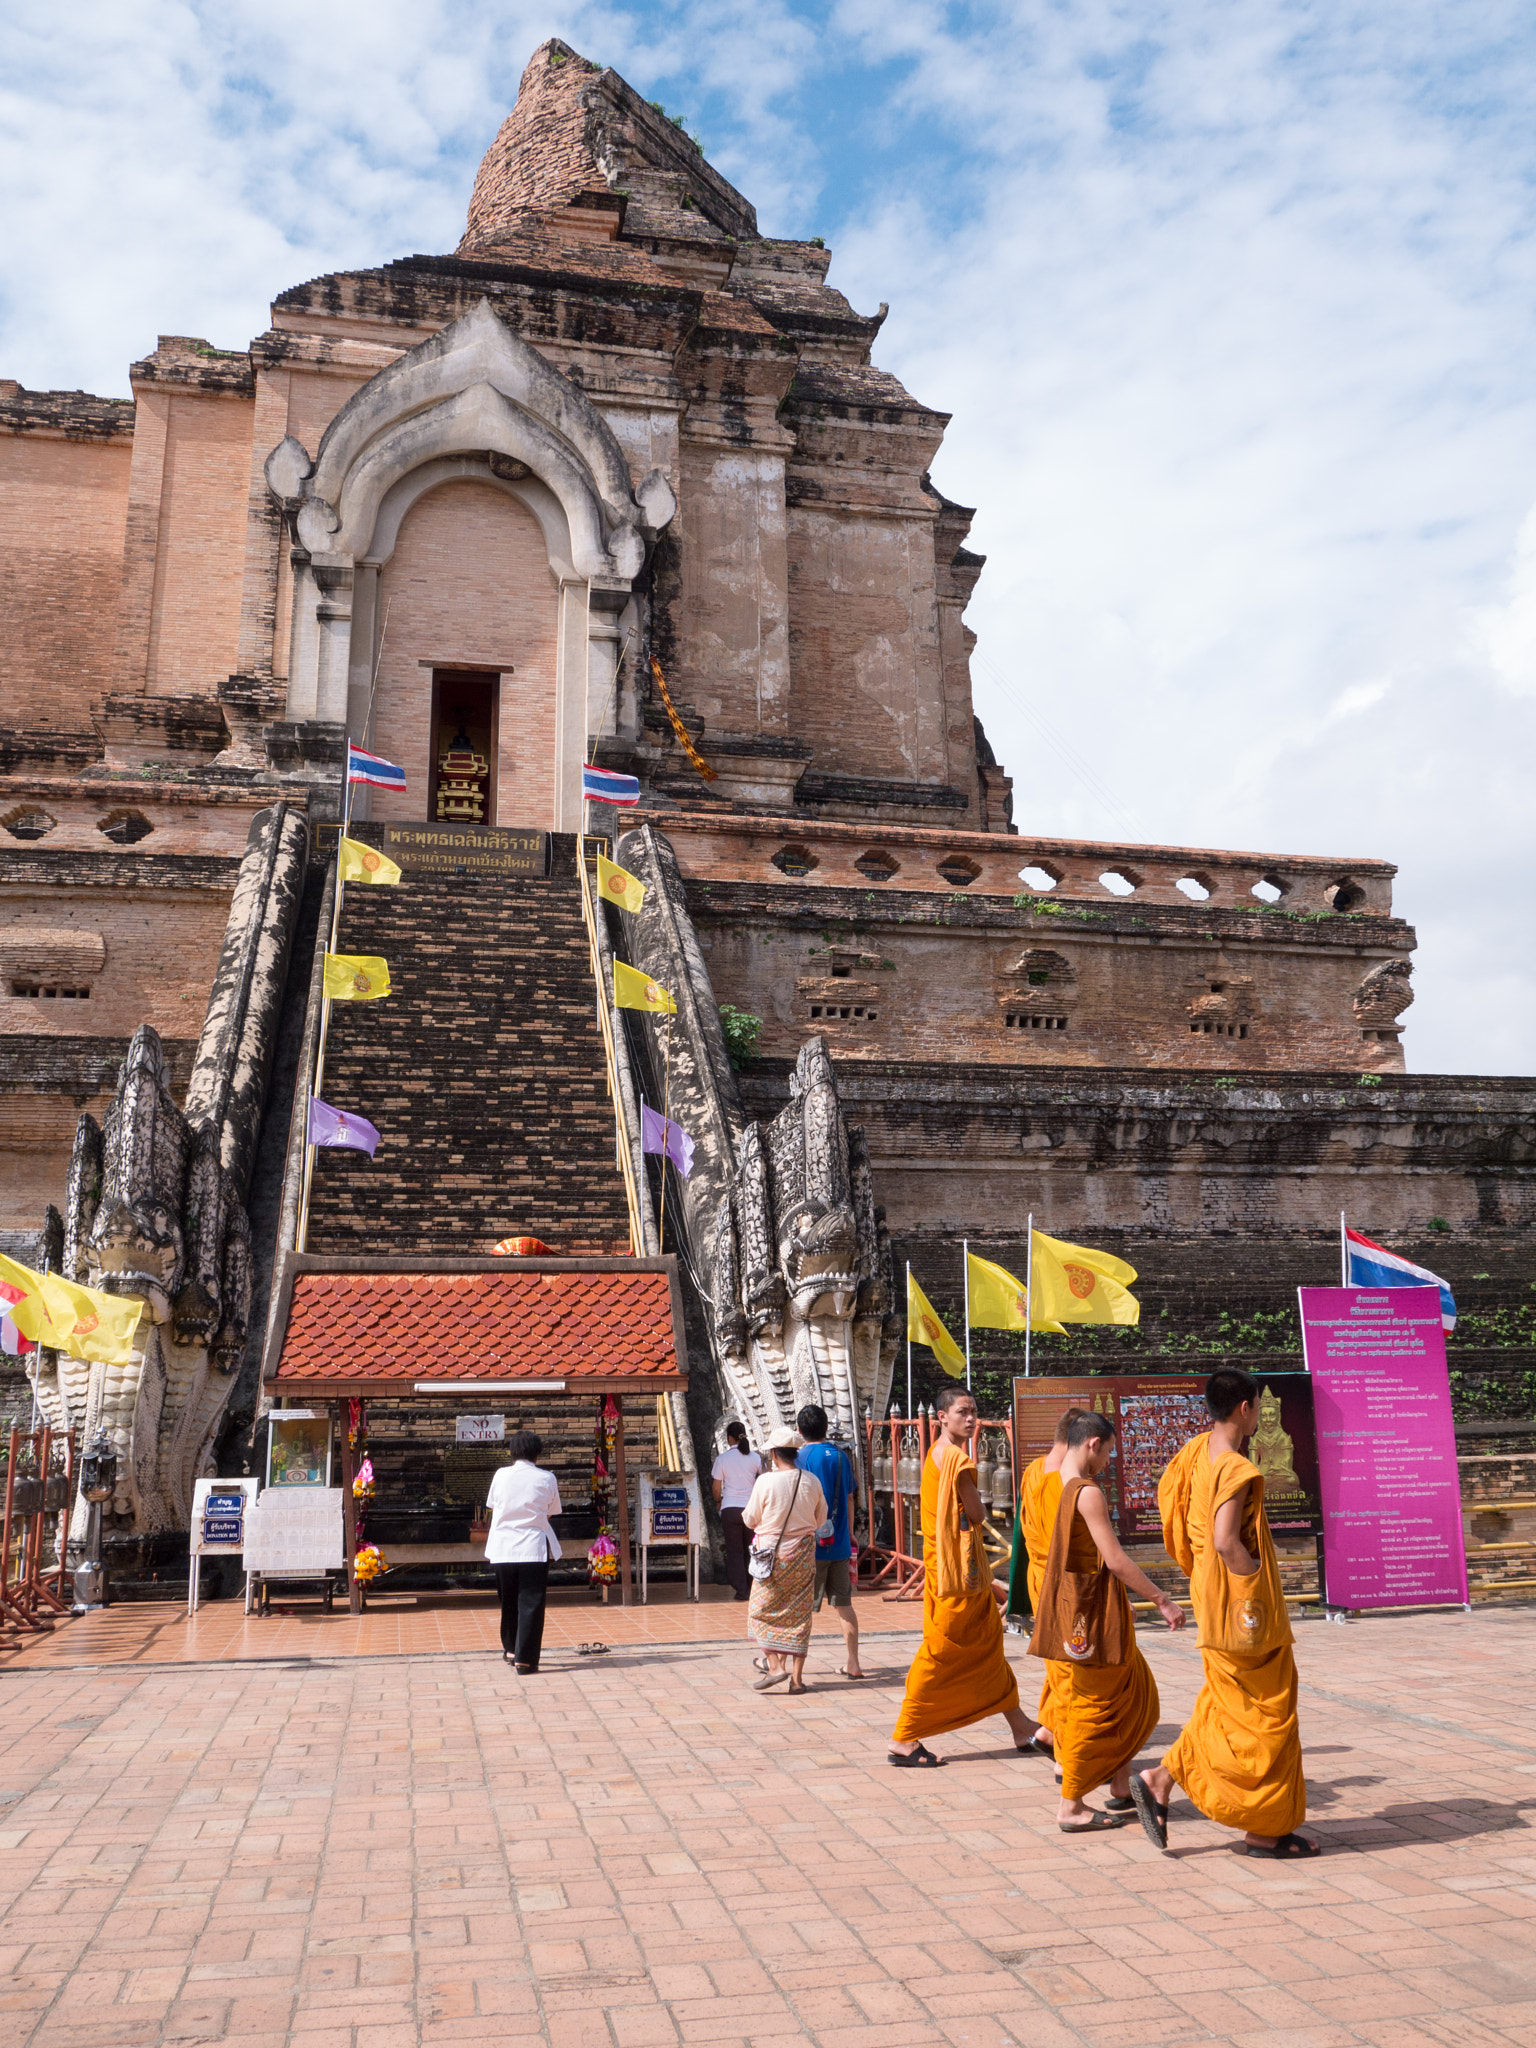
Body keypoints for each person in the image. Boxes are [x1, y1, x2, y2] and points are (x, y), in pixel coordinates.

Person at [1131, 1368, 1318, 1860]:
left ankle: (1159, 1779)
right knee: (1266, 1712)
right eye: (1258, 1405)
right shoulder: (1235, 1468)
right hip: (1241, 1607)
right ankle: (1262, 1826)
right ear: (1245, 1409)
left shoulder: (1194, 1453)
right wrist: (1253, 1577)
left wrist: (1205, 1575)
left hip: (1210, 1597)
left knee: (1225, 1702)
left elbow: (1174, 1511)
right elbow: (1224, 1539)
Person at [1035, 1410, 1186, 1833]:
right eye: (1109, 1453)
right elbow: (1116, 1560)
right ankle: (1071, 1806)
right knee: (1095, 1709)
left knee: (1134, 1695)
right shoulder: (1087, 1492)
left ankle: (1121, 1782)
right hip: (1089, 1622)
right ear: (1093, 1444)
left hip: (1076, 1612)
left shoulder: (1053, 1481)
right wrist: (1162, 1599)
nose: (1108, 1462)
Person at [889, 1384, 1043, 1768]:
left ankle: (1021, 1726)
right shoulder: (954, 1459)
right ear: (942, 1417)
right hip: (955, 1576)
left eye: (974, 1411)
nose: (971, 1418)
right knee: (942, 1652)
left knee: (987, 1646)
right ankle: (904, 1738)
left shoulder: (937, 1454)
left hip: (958, 1570)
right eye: (962, 1412)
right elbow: (977, 1515)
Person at [1006, 1406, 1088, 1766]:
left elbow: (1022, 1532)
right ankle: (1064, 1751)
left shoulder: (1033, 1470)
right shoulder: (1066, 1484)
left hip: (1039, 1579)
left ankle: (1049, 1731)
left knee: (1059, 1661)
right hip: (1064, 1583)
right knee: (1071, 1664)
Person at [742, 1426, 827, 1695]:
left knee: (759, 1610)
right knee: (800, 1614)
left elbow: (750, 1519)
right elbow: (820, 1519)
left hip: (771, 1556)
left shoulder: (766, 1482)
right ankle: (797, 1680)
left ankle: (775, 1665)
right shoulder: (811, 1481)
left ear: (774, 1454)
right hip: (803, 1554)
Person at [484, 1430, 561, 1674]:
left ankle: (510, 1649)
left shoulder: (500, 1475)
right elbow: (551, 1512)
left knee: (508, 1600)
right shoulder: (547, 1478)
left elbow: (493, 1506)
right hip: (531, 1548)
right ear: (537, 1453)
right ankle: (525, 1659)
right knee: (530, 1603)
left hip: (503, 1547)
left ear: (513, 1452)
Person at [796, 1404, 864, 1679]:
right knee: (844, 1605)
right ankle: (854, 1663)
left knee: (802, 1609)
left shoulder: (800, 1457)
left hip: (809, 1544)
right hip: (838, 1544)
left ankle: (788, 1665)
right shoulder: (840, 1456)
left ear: (799, 1430)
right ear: (826, 1428)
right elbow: (850, 1497)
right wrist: (848, 1533)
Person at [711, 1421, 762, 1600]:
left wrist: (718, 1501)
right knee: (751, 1549)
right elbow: (763, 1482)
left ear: (729, 1438)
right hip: (752, 1509)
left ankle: (741, 1590)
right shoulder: (756, 1458)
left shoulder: (722, 1459)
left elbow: (716, 1488)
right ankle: (754, 1585)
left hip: (730, 1508)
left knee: (734, 1551)